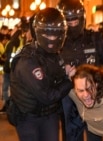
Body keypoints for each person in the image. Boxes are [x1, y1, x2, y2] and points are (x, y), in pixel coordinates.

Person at [8, 8, 75, 141]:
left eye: (56, 35)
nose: (53, 39)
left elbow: (54, 75)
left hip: (49, 115)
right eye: (49, 36)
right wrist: (69, 80)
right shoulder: (27, 61)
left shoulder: (51, 54)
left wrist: (64, 71)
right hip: (29, 119)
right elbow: (47, 95)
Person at [57, 0, 103, 141]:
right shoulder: (57, 43)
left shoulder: (95, 39)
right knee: (71, 136)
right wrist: (63, 70)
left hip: (92, 99)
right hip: (68, 100)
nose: (73, 24)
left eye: (75, 21)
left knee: (94, 136)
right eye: (69, 21)